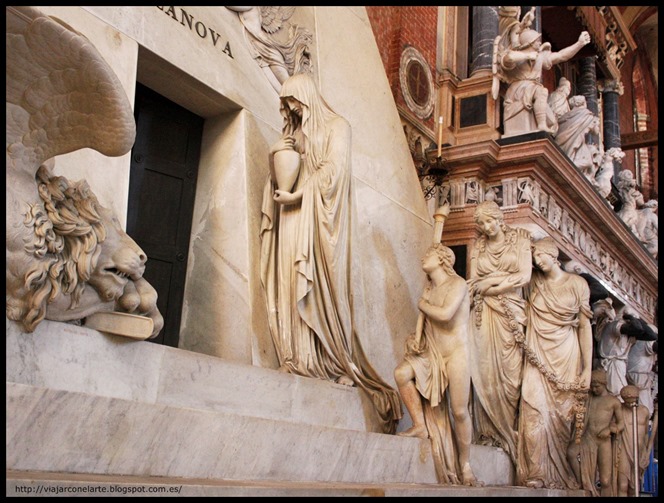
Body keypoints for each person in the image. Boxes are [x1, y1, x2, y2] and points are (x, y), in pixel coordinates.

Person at [259, 73, 401, 433]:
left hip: (323, 223)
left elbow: (334, 173)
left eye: (295, 102)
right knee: (290, 284)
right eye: (287, 105)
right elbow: (280, 175)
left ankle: (335, 360)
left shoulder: (339, 126)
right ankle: (295, 355)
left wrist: (298, 193)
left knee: (324, 288)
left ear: (307, 97)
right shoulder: (294, 135)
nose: (292, 110)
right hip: (293, 219)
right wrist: (278, 155)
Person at [394, 244, 477, 486]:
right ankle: (420, 425)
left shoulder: (457, 284)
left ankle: (466, 465)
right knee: (401, 373)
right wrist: (417, 339)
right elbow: (424, 324)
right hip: (433, 352)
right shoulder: (429, 289)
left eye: (428, 254)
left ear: (442, 259)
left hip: (456, 354)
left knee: (459, 411)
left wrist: (423, 304)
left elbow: (445, 314)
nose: (423, 257)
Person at [517, 237, 593, 490]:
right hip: (537, 353)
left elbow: (584, 327)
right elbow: (515, 269)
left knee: (562, 416)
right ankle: (536, 472)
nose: (538, 261)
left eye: (541, 255)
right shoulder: (534, 282)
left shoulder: (577, 284)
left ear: (553, 255)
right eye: (535, 257)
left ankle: (559, 474)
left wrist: (587, 368)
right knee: (532, 409)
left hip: (566, 354)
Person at [467, 200, 532, 465]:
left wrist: (491, 284)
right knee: (483, 369)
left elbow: (524, 276)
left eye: (489, 221)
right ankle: (487, 433)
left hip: (511, 311)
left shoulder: (520, 240)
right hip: (483, 312)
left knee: (510, 374)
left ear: (499, 219)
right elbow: (473, 281)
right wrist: (487, 286)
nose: (486, 227)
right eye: (481, 223)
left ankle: (509, 432)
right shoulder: (478, 246)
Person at [494, 18, 591, 136]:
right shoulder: (516, 55)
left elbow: (561, 56)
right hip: (518, 89)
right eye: (536, 41)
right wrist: (528, 55)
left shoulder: (540, 56)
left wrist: (579, 44)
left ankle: (542, 124)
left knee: (552, 121)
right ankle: (541, 125)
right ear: (530, 43)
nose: (540, 43)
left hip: (532, 89)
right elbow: (508, 58)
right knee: (541, 91)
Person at [226, 7, 312, 93]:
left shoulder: (251, 7)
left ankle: (296, 94)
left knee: (278, 67)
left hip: (260, 41)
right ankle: (283, 95)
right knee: (265, 66)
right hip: (255, 40)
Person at [568, 369, 624, 497]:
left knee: (605, 480)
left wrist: (609, 429)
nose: (594, 389)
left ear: (604, 384)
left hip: (603, 441)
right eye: (592, 386)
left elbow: (621, 424)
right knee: (571, 453)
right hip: (588, 437)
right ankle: (583, 482)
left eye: (597, 386)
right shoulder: (588, 399)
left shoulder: (613, 401)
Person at [554, 95, 602, 180]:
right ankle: (569, 167)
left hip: (564, 141)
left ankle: (573, 168)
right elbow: (595, 132)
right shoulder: (586, 115)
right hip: (575, 142)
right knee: (587, 161)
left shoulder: (566, 116)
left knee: (587, 160)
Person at [617, 385, 651, 497]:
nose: (631, 404)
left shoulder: (644, 411)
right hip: (624, 450)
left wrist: (646, 452)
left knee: (634, 487)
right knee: (622, 485)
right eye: (628, 402)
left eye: (633, 401)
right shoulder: (619, 410)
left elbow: (646, 434)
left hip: (638, 451)